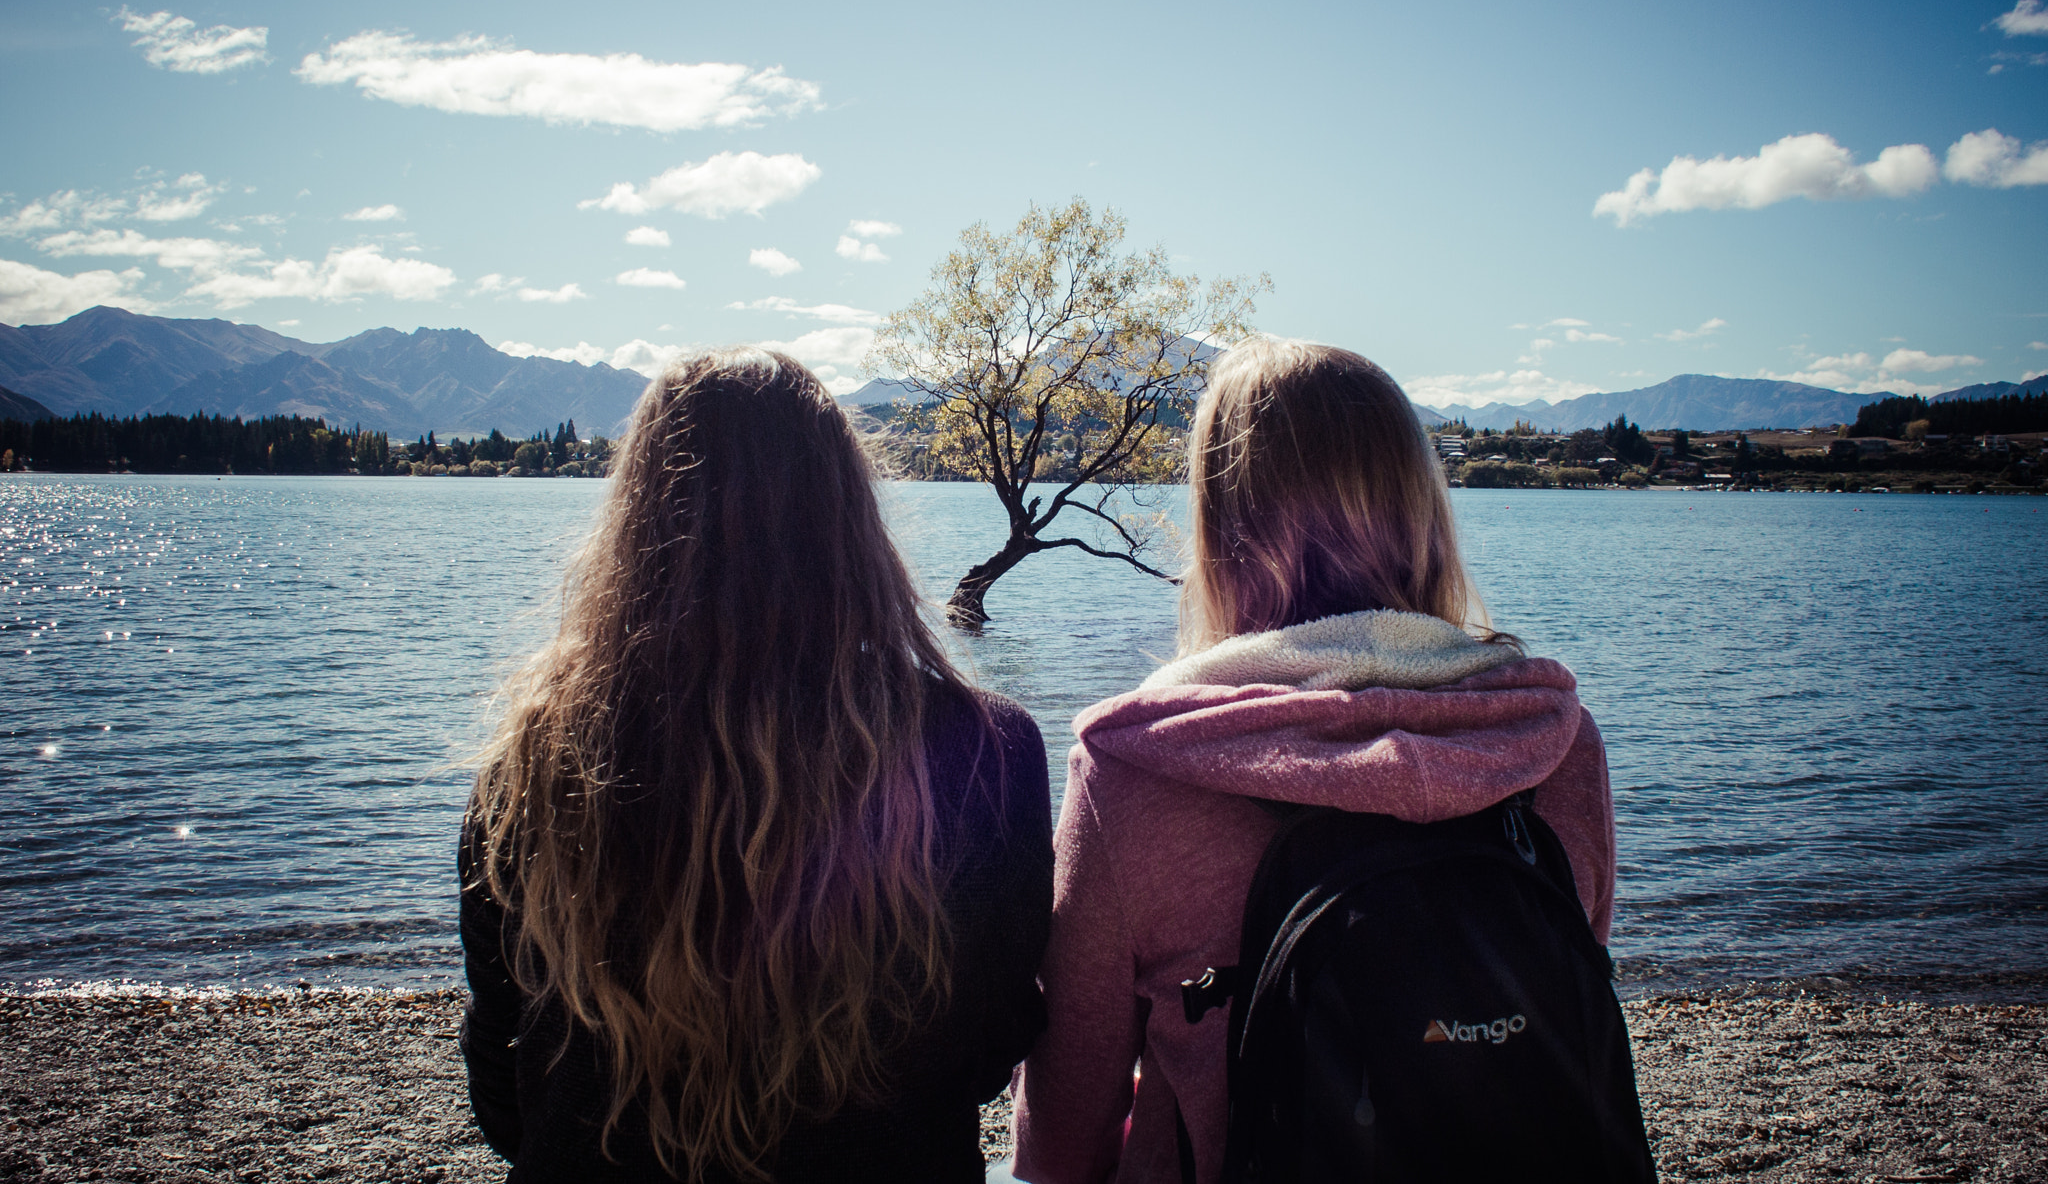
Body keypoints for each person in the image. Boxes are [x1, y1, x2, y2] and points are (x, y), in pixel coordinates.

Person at [1012, 337, 1618, 1184]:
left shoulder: (1137, 773)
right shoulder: (1552, 744)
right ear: (1421, 508)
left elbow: (1064, 1144)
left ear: (1223, 530)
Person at [461, 348, 1052, 1183]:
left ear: (637, 528)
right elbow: (993, 1045)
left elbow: (503, 1095)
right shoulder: (987, 753)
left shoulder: (534, 767)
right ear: (850, 523)